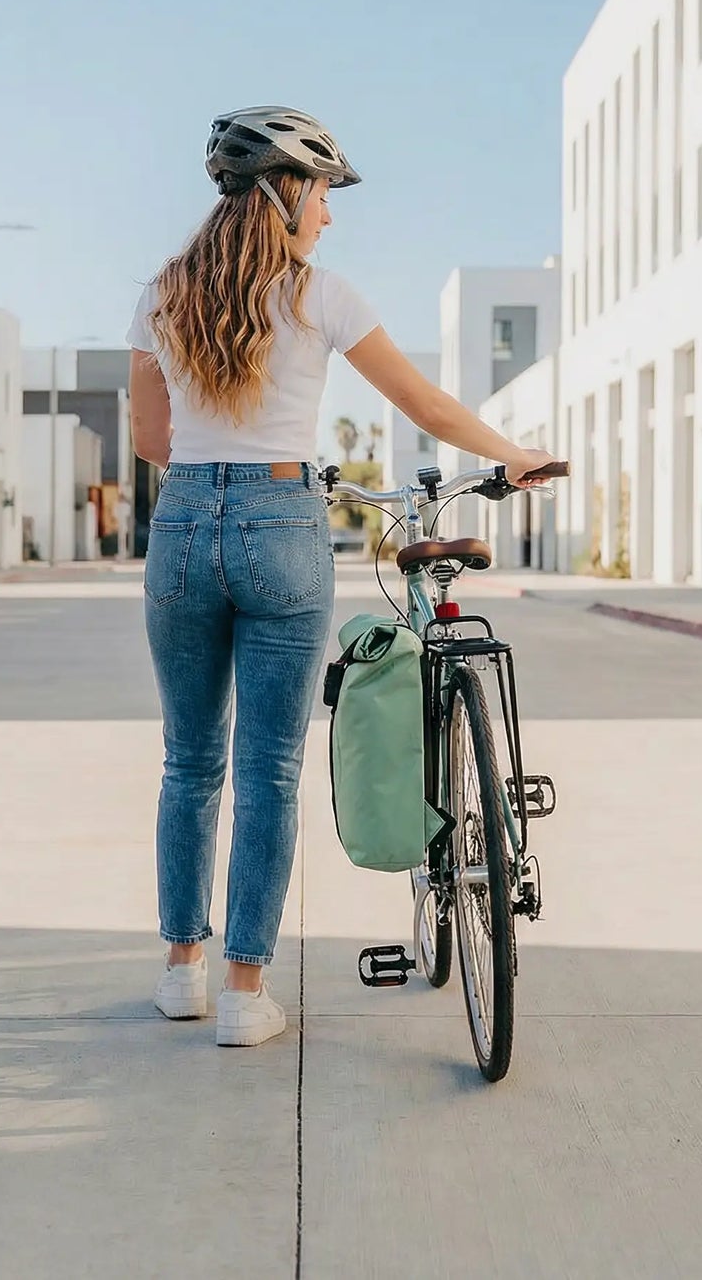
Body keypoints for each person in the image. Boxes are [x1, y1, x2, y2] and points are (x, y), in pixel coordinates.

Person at [127, 106, 557, 1046]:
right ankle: (244, 992)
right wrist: (510, 453)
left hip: (186, 523)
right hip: (284, 523)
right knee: (268, 770)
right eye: (323, 193)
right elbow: (422, 401)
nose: (328, 213)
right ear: (286, 193)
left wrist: (213, 470)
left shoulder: (160, 295)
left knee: (189, 761)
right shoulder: (322, 295)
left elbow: (150, 441)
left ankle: (180, 972)